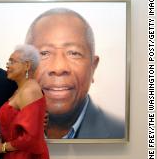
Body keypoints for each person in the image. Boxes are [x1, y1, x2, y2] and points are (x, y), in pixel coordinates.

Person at [25, 8, 125, 139]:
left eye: (74, 53)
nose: (58, 67)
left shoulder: (120, 133)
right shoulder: (2, 132)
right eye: (43, 53)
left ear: (93, 67)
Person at [0, 44, 49, 159]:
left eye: (12, 62)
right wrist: (0, 137)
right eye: (8, 62)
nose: (8, 66)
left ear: (27, 65)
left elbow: (31, 138)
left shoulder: (29, 91)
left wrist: (3, 147)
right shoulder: (21, 89)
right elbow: (17, 127)